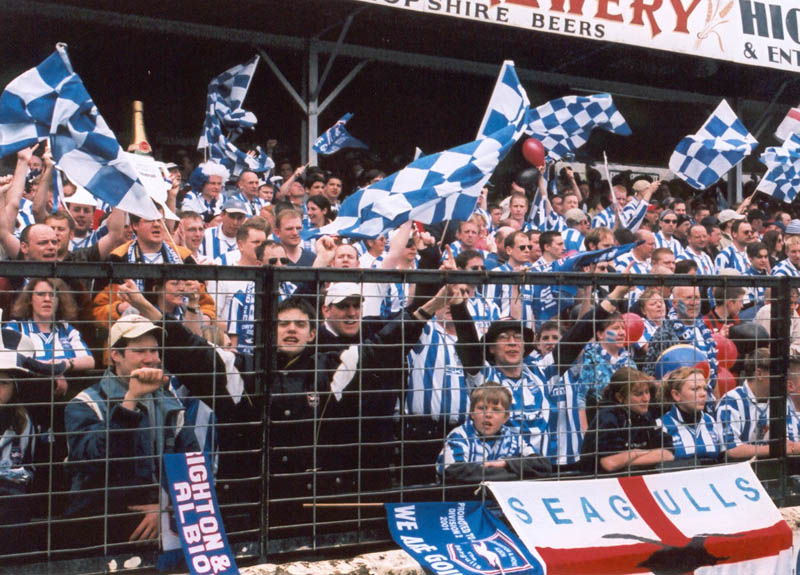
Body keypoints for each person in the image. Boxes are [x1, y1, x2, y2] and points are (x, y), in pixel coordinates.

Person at [63, 315, 201, 547]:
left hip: (161, 520)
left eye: (155, 351)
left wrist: (166, 507)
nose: (151, 359)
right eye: (140, 351)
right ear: (115, 355)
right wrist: (130, 401)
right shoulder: (84, 403)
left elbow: (191, 467)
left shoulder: (170, 403)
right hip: (100, 522)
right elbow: (92, 463)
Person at [436, 383, 551, 483]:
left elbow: (543, 465)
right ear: (472, 413)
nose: (488, 414)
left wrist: (506, 464)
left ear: (506, 417)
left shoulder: (513, 438)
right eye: (482, 408)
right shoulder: (459, 435)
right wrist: (515, 474)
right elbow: (453, 472)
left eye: (496, 410)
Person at [580, 367, 674, 474]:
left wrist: (630, 456)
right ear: (620, 397)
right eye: (638, 394)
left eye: (647, 392)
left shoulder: (645, 416)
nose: (646, 398)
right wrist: (636, 453)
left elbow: (667, 454)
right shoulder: (608, 418)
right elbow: (610, 463)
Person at [716, 348, 800, 459]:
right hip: (741, 470)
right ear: (759, 374)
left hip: (772, 469)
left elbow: (791, 444)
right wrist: (774, 450)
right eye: (778, 373)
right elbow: (731, 449)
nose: (784, 378)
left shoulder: (781, 401)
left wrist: (785, 448)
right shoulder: (731, 401)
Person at [7, 278, 95, 375]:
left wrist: (63, 365)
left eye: (53, 295)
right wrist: (44, 370)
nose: (47, 299)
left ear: (59, 301)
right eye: (41, 294)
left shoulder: (66, 329)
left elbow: (90, 361)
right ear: (30, 299)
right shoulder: (16, 327)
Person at [657, 367, 724, 462]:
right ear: (676, 395)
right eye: (695, 389)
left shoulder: (710, 421)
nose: (703, 394)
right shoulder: (661, 425)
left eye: (704, 388)